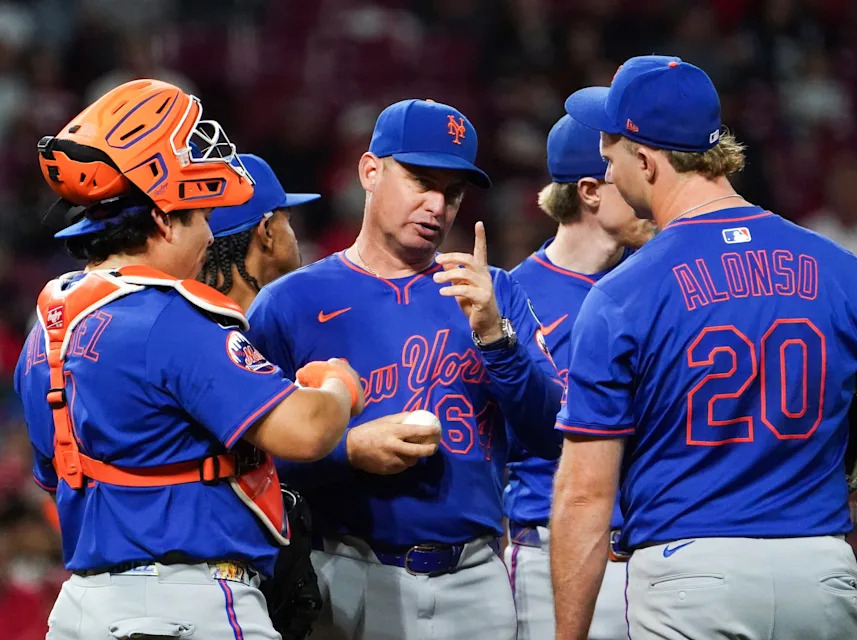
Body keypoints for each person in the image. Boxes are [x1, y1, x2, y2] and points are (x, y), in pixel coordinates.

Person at [549, 55, 857, 640]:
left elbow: (585, 492)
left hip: (692, 578)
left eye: (611, 148)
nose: (605, 165)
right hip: (821, 572)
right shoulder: (836, 266)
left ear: (648, 160)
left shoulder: (621, 295)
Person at [15, 79, 365, 640]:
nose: (207, 234)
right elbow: (306, 433)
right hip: (185, 606)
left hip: (82, 607)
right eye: (199, 215)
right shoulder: (169, 317)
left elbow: (55, 476)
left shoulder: (48, 326)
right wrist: (336, 387)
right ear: (160, 220)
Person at [245, 98, 563, 640]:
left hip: (475, 579)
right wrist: (346, 450)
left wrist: (495, 336)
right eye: (421, 181)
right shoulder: (289, 303)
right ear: (370, 171)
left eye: (453, 192)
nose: (437, 205)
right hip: (342, 572)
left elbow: (551, 431)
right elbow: (246, 459)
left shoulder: (493, 292)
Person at [504, 114, 654, 640]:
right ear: (590, 191)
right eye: (633, 171)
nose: (652, 188)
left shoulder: (659, 284)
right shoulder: (512, 297)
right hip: (552, 552)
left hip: (656, 553)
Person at [200, 153, 320, 309]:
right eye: (287, 221)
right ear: (267, 232)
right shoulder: (294, 325)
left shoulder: (182, 322)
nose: (295, 238)